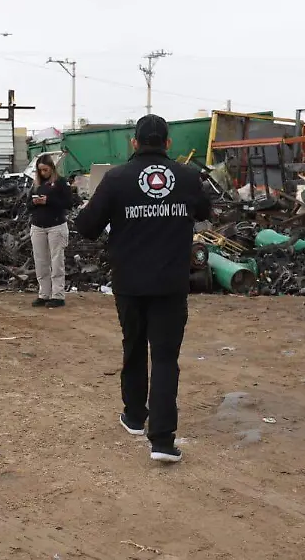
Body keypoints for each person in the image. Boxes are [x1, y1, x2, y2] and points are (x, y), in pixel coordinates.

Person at [76, 115, 212, 463]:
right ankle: (163, 441)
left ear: (133, 143)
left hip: (129, 283)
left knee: (133, 347)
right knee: (165, 358)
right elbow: (205, 212)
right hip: (170, 283)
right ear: (168, 143)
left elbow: (87, 227)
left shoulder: (116, 178)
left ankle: (135, 416)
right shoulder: (186, 177)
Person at [29, 154, 72, 308]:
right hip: (38, 226)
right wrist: (35, 202)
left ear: (51, 168)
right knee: (41, 261)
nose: (43, 173)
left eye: (45, 170)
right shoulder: (36, 184)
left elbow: (69, 202)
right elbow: (27, 205)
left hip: (56, 226)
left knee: (57, 260)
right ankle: (44, 293)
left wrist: (48, 201)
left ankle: (58, 295)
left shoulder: (60, 182)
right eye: (40, 170)